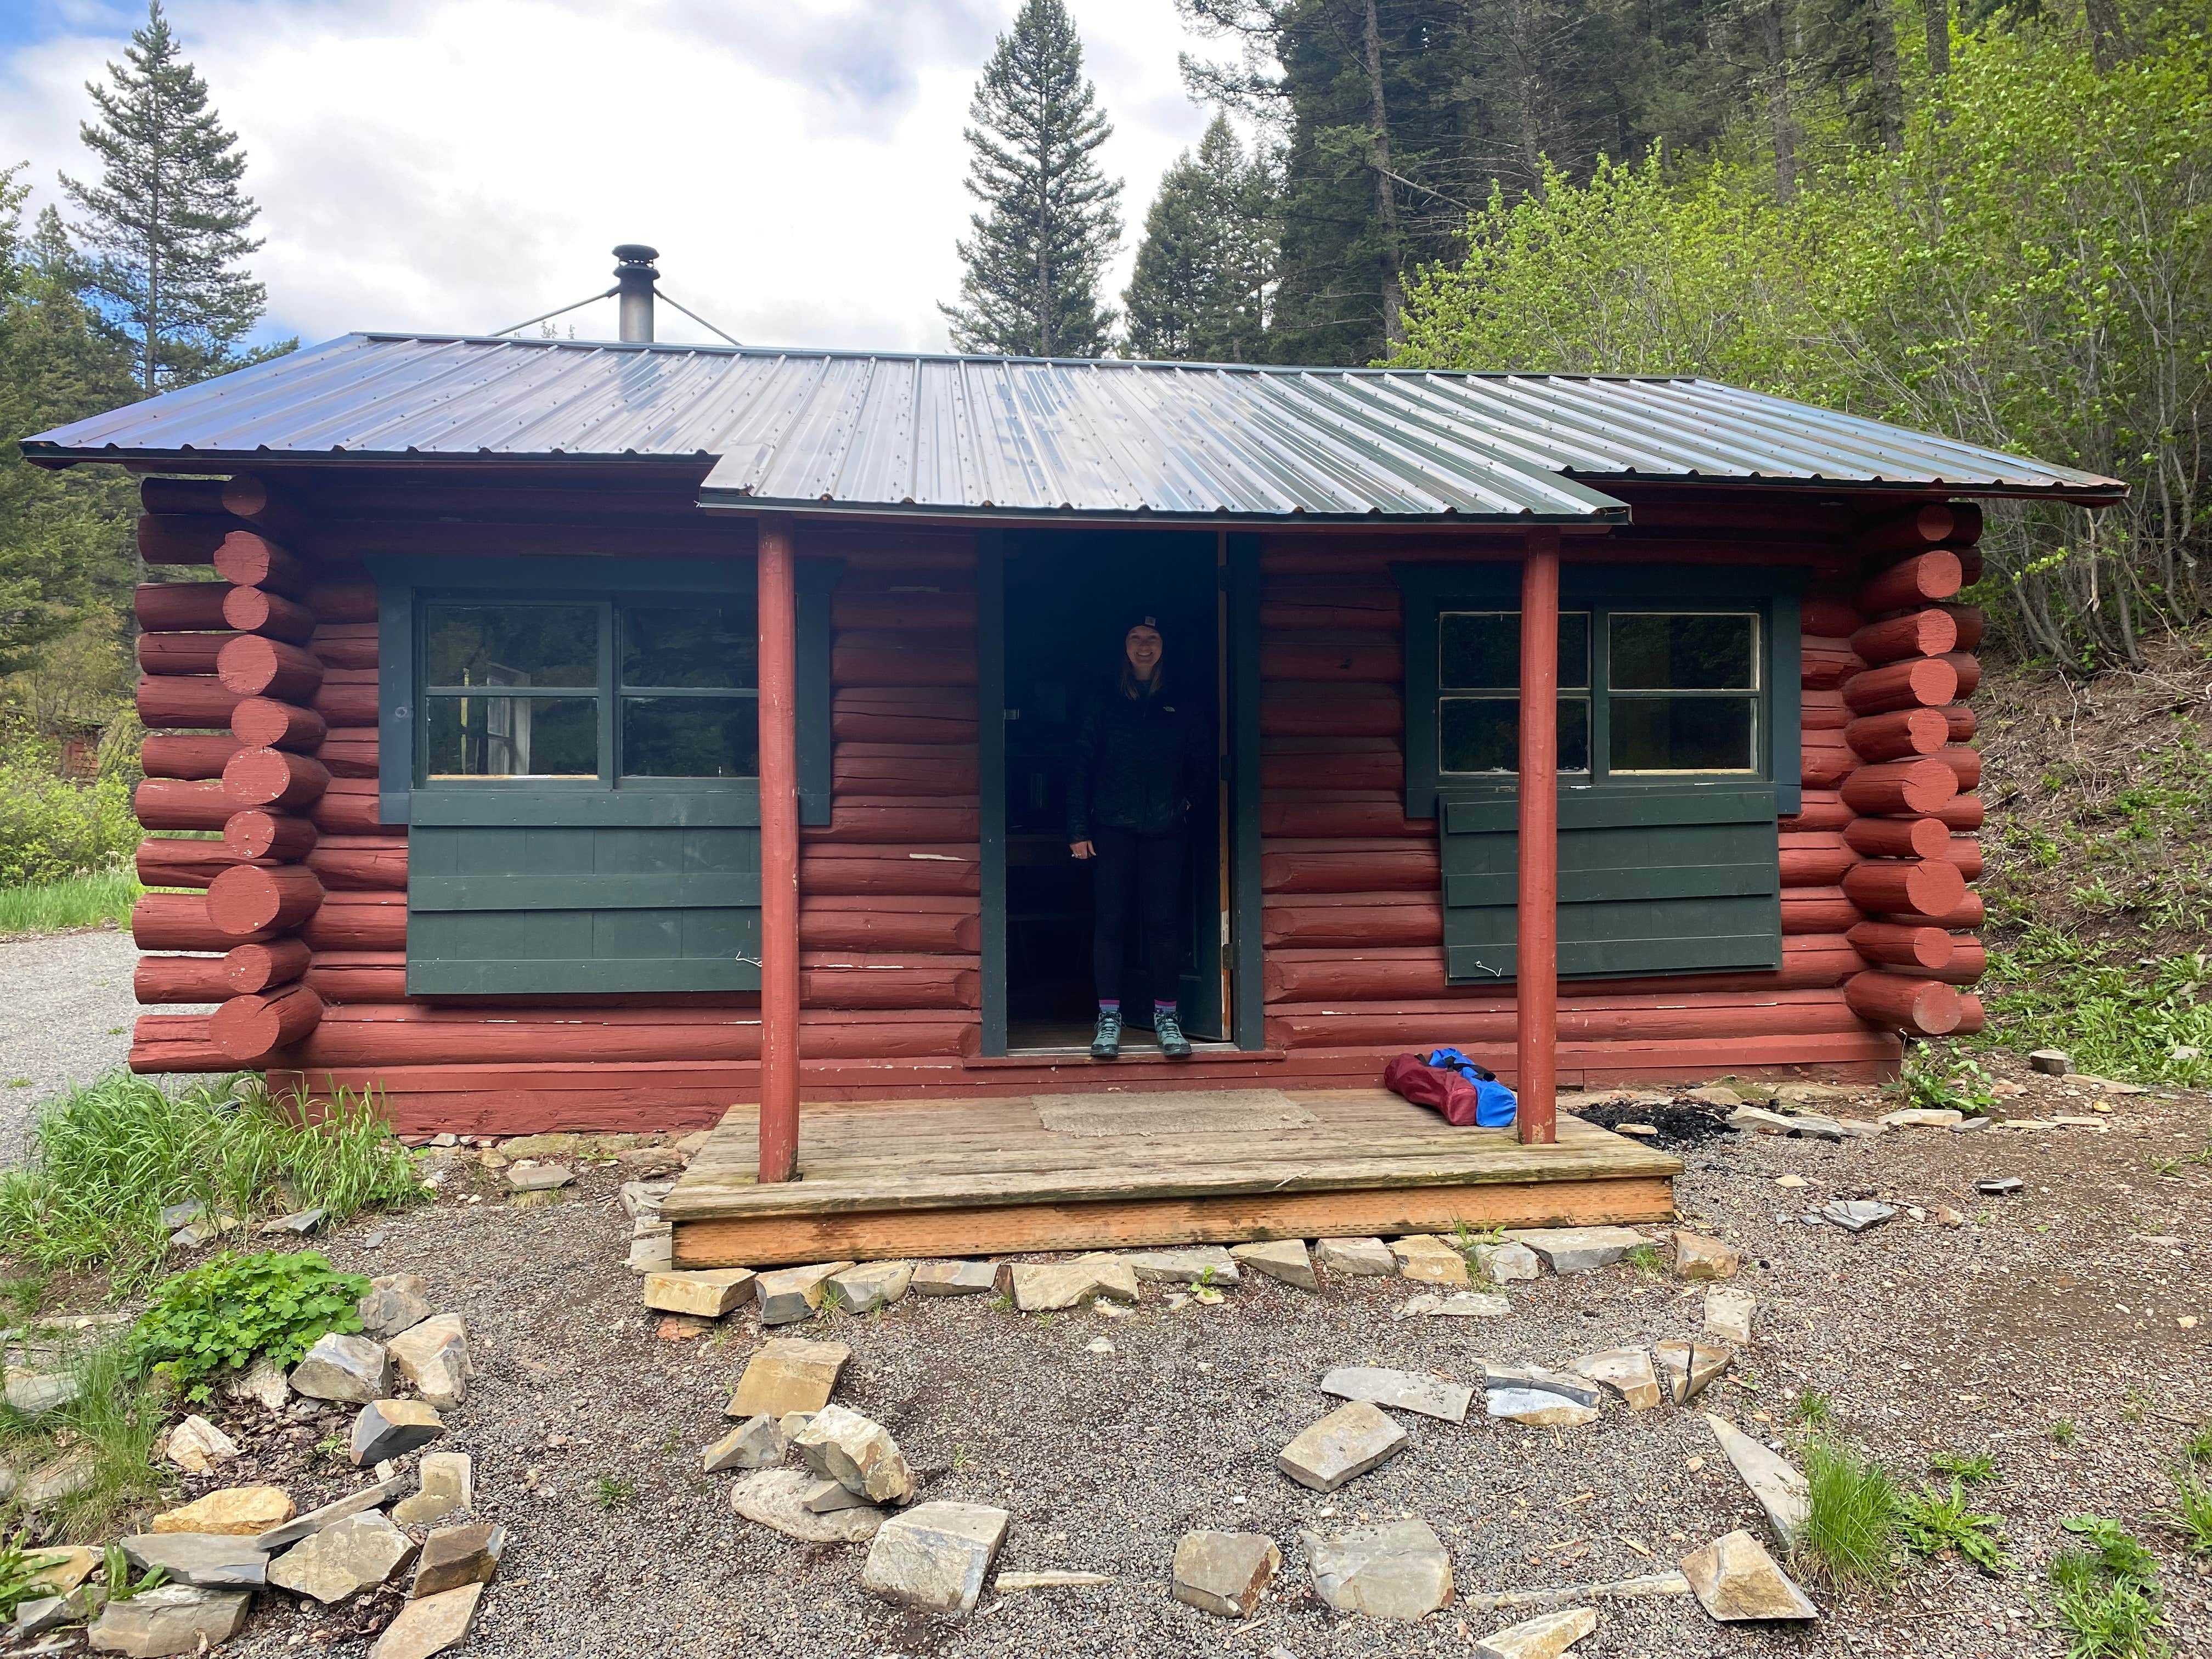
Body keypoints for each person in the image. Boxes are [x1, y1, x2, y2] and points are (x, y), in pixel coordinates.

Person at [1068, 613, 1210, 1059]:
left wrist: (1186, 803)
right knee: (1110, 922)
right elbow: (1080, 766)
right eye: (1135, 638)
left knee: (1163, 924)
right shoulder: (1104, 698)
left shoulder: (1182, 700)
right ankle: (1108, 1019)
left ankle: (1167, 1018)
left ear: (1164, 645)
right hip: (1111, 827)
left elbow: (1204, 761)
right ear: (1124, 646)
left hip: (1165, 829)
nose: (1143, 646)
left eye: (1152, 638)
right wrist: (1077, 827)